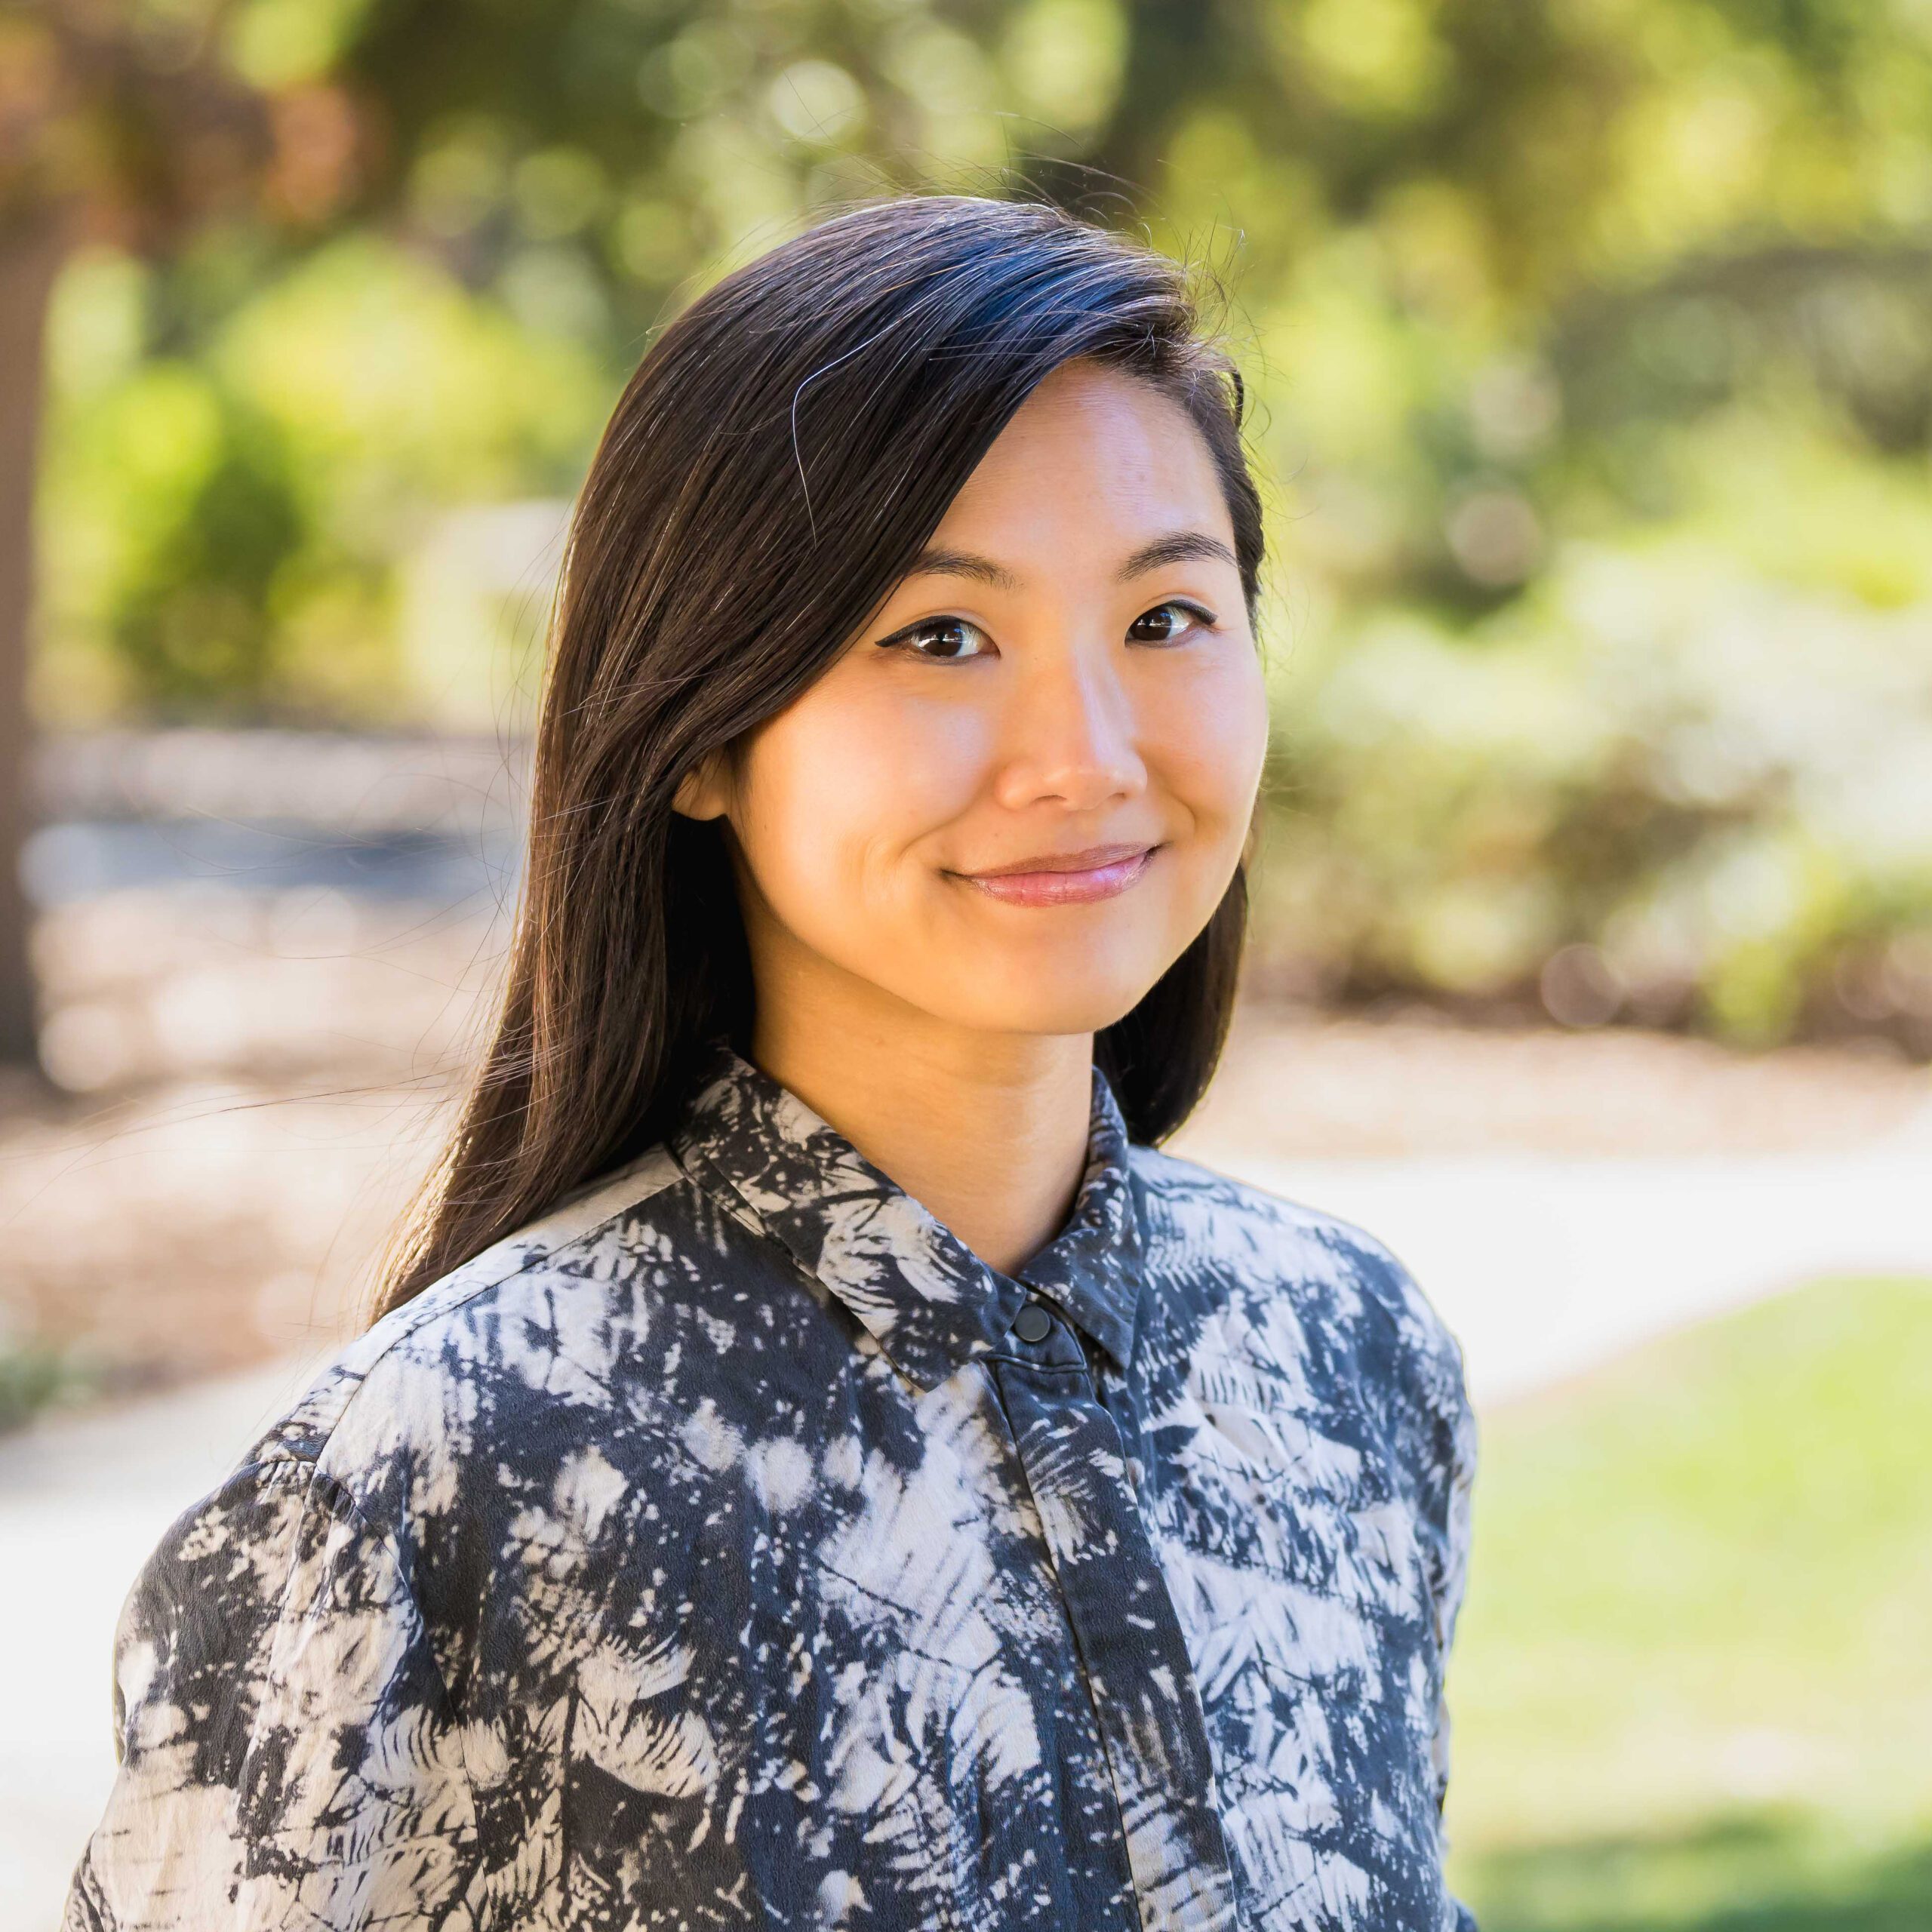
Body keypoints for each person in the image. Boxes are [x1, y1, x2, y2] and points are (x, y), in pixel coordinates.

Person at [60, 192, 1478, 1932]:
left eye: (1164, 620)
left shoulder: (1342, 1355)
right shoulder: (443, 1475)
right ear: (701, 734)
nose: (1084, 755)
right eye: (939, 635)